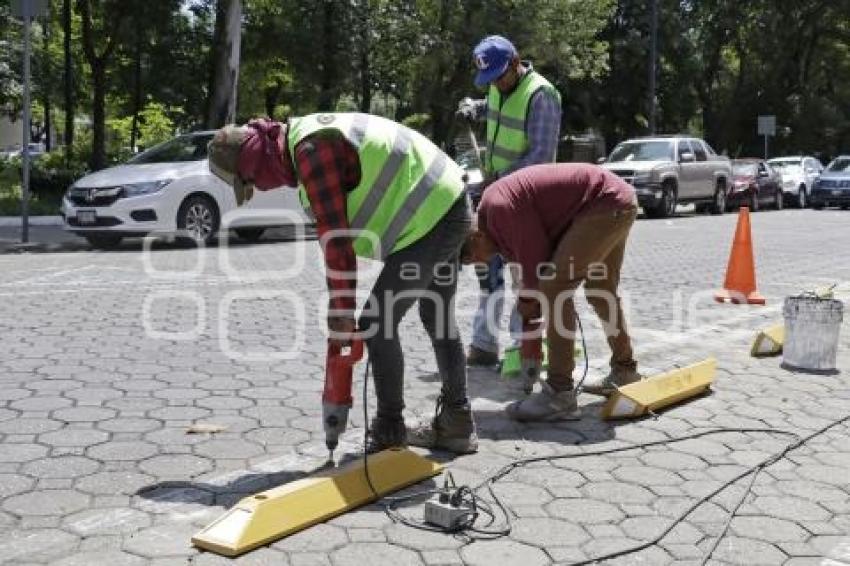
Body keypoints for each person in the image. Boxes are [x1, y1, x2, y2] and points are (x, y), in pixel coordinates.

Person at [208, 113, 477, 454]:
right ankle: (457, 422)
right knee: (435, 316)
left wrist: (341, 315)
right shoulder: (301, 141)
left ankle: (390, 428)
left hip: (433, 215)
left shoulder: (311, 151)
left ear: (256, 161)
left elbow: (338, 248)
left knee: (377, 323)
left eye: (251, 180)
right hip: (446, 199)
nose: (258, 188)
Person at [463, 163, 641, 421]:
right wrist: (527, 306)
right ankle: (625, 370)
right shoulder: (494, 220)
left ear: (477, 237)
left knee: (555, 288)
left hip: (603, 204)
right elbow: (528, 270)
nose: (479, 264)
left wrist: (528, 304)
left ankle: (560, 394)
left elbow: (537, 263)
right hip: (617, 200)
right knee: (600, 289)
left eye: (472, 259)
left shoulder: (499, 210)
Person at [456, 35, 562, 367]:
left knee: (523, 274)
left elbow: (541, 156)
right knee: (486, 267)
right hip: (497, 197)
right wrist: (473, 106)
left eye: (499, 77)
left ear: (516, 63)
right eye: (488, 82)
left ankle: (522, 350)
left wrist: (500, 180)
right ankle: (485, 344)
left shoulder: (541, 95)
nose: (495, 85)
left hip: (527, 201)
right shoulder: (497, 85)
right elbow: (495, 107)